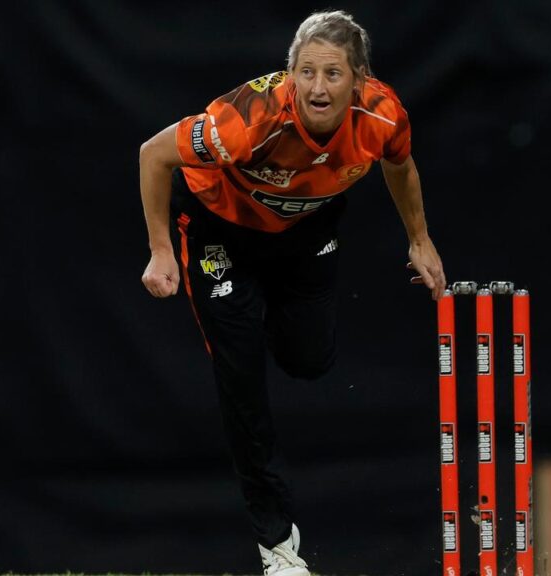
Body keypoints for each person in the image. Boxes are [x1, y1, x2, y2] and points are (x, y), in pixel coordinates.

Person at [138, 10, 445, 576]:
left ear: (359, 78)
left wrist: (420, 239)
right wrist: (160, 249)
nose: (318, 88)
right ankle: (278, 548)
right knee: (241, 378)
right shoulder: (247, 119)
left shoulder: (381, 114)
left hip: (305, 234)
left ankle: (264, 308)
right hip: (219, 232)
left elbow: (399, 166)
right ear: (290, 74)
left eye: (332, 75)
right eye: (306, 73)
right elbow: (154, 155)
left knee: (309, 361)